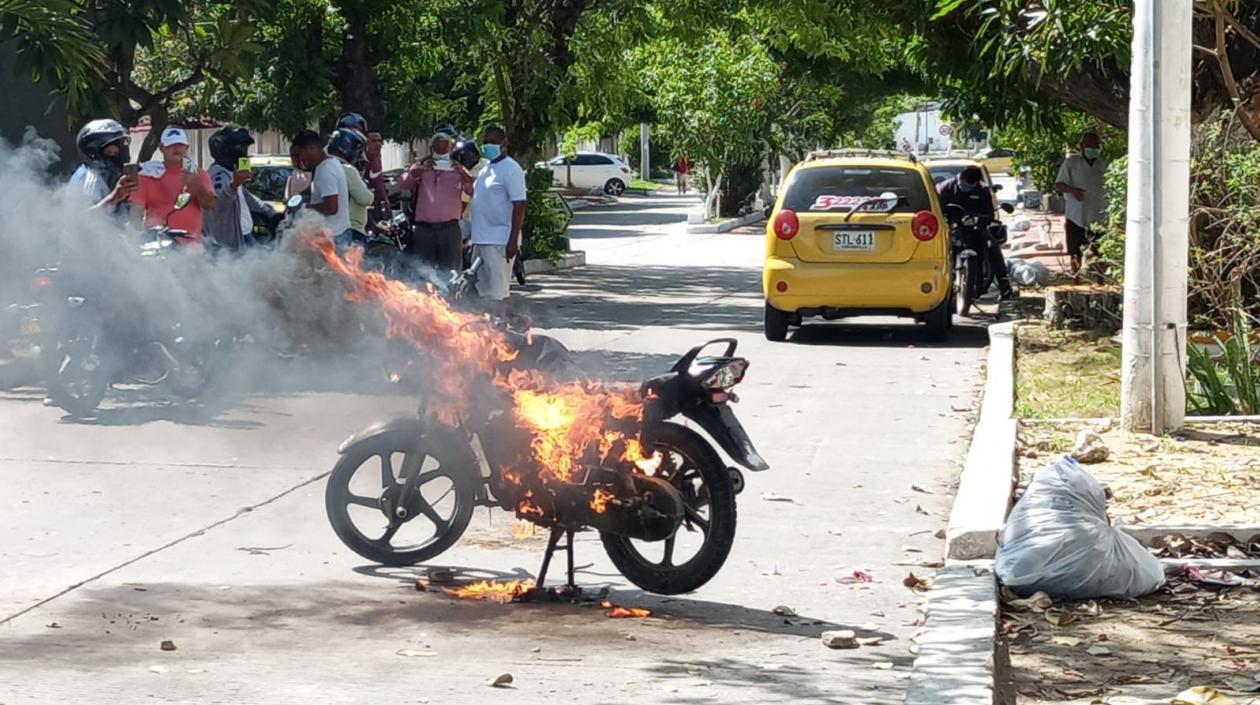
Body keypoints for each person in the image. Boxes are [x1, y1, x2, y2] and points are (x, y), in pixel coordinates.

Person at [469, 125, 526, 314]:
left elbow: (519, 205)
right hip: (481, 240)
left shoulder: (511, 169)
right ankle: (492, 332)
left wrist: (512, 241)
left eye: (493, 142)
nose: (488, 145)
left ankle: (510, 333)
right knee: (484, 294)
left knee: (500, 294)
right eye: (486, 142)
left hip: (499, 242)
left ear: (504, 144)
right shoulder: (486, 170)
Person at [400, 131, 476, 272]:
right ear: (432, 148)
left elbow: (473, 191)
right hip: (424, 229)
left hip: (450, 229)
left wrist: (462, 173)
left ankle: (451, 294)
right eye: (438, 147)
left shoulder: (457, 169)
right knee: (422, 271)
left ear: (450, 149)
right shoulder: (421, 166)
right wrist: (421, 171)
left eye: (444, 147)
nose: (441, 150)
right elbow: (404, 183)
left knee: (451, 271)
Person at [938, 165, 1013, 299]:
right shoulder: (945, 188)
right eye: (967, 184)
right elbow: (937, 210)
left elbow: (989, 213)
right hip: (951, 228)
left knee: (991, 244)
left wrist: (982, 219)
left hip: (975, 228)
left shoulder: (982, 190)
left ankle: (1004, 284)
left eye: (972, 186)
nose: (968, 188)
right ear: (961, 178)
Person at [132, 126, 216, 242]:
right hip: (157, 246)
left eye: (180, 145)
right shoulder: (148, 175)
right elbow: (136, 212)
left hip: (192, 248)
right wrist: (135, 241)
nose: (176, 148)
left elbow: (210, 205)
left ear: (186, 148)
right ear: (161, 148)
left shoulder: (199, 174)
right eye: (170, 145)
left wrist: (197, 186)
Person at [204, 126, 274, 253]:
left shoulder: (231, 173)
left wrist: (270, 213)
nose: (244, 153)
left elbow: (246, 197)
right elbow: (218, 204)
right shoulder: (217, 176)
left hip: (244, 237)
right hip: (228, 244)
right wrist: (233, 185)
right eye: (242, 148)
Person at [1055, 131, 1109, 277]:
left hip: (1098, 216)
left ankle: (1099, 280)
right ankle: (1076, 278)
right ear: (1082, 146)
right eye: (1090, 145)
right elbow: (1059, 185)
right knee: (1075, 251)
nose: (1093, 148)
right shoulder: (1071, 164)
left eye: (1095, 145)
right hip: (1075, 215)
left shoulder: (1103, 164)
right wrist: (1072, 190)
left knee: (1098, 251)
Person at [291, 129, 351, 246]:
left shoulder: (326, 170)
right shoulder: (331, 163)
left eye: (300, 153)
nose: (301, 159)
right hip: (337, 233)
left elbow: (332, 208)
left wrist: (305, 207)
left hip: (333, 237)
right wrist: (301, 197)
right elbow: (319, 192)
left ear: (311, 148)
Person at [68, 119, 137, 211]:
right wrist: (114, 198)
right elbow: (82, 219)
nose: (113, 157)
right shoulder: (90, 178)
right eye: (108, 152)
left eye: (116, 153)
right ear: (93, 153)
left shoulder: (103, 176)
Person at [327, 128, 374, 244]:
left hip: (331, 230)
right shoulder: (347, 170)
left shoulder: (325, 168)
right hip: (352, 231)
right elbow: (365, 198)